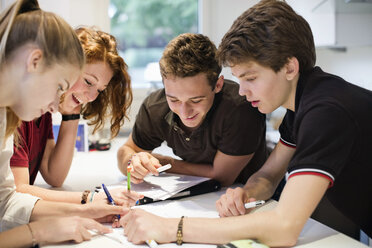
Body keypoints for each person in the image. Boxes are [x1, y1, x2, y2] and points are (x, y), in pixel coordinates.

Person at [119, 0, 372, 246]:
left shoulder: (325, 112)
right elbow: (269, 176)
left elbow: (284, 228)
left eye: (250, 78)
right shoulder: (303, 105)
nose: (241, 91)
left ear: (289, 67)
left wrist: (172, 227)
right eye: (239, 79)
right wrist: (246, 193)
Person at [0, 0, 128, 246]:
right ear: (34, 62)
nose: (52, 106)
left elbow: (6, 199)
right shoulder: (17, 114)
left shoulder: (7, 114)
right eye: (60, 86)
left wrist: (86, 211)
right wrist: (38, 232)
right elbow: (17, 191)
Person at [10, 26, 141, 205]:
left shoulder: (43, 113)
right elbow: (18, 189)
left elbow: (54, 175)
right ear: (66, 66)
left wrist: (71, 114)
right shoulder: (18, 111)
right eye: (88, 82)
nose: (92, 96)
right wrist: (90, 198)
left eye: (99, 91)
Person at [117, 33, 268, 187]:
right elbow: (127, 149)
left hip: (250, 192)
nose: (184, 112)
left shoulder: (239, 108)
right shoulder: (155, 107)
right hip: (193, 194)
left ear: (217, 85)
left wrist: (165, 162)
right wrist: (132, 163)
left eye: (196, 100)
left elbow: (221, 177)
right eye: (174, 99)